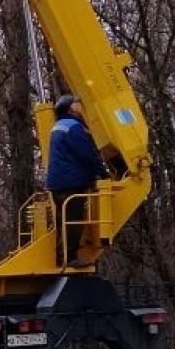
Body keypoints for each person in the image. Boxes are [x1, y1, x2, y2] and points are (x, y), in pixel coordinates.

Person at [46, 94, 110, 268]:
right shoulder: (74, 127)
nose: (80, 106)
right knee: (74, 221)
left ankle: (62, 256)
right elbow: (86, 154)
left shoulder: (58, 126)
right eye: (77, 104)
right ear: (71, 109)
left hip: (57, 182)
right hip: (71, 181)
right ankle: (71, 257)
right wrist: (103, 173)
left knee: (63, 222)